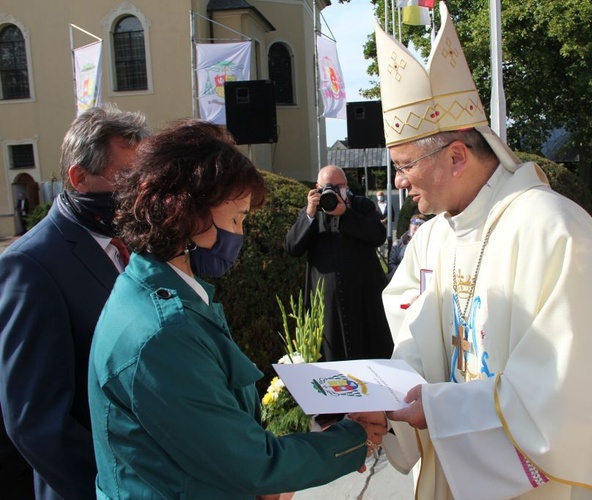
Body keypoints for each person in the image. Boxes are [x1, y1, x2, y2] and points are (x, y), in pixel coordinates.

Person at [361, 3, 592, 498]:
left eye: (405, 164)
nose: (399, 182)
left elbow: (571, 392)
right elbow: (417, 339)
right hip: (454, 469)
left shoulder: (552, 230)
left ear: (457, 156)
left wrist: (438, 409)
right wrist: (388, 400)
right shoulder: (435, 237)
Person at [88, 120, 386, 498]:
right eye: (236, 218)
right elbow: (252, 464)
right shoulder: (163, 332)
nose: (240, 235)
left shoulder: (163, 293)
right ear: (184, 213)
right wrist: (354, 439)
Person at [0, 105, 148, 500]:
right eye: (126, 177)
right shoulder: (30, 266)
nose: (139, 191)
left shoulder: (133, 242)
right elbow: (35, 422)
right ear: (79, 178)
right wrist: (113, 490)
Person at [285, 165, 393, 361]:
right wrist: (309, 214)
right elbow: (292, 247)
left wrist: (345, 214)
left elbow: (378, 235)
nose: (334, 192)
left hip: (364, 298)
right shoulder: (311, 212)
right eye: (328, 187)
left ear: (346, 186)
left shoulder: (361, 205)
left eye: (339, 187)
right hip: (327, 304)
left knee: (371, 350)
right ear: (317, 188)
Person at [386, 214, 424, 281]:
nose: (418, 227)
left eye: (421, 225)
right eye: (416, 224)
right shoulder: (397, 244)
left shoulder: (427, 245)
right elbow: (392, 264)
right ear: (410, 225)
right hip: (399, 277)